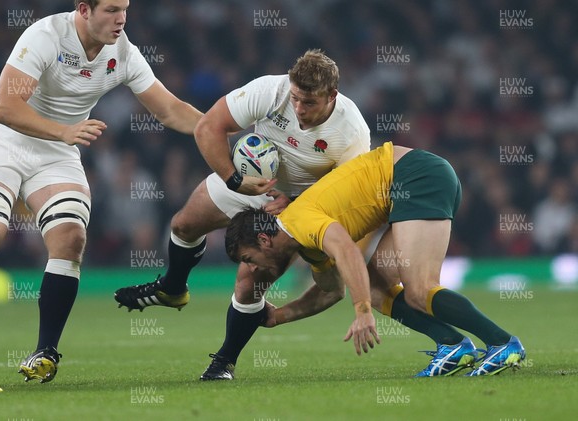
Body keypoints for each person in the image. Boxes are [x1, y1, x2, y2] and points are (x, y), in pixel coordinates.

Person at [0, 0, 202, 385]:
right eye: (112, 10)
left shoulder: (124, 52)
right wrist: (65, 131)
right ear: (84, 9)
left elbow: (170, 110)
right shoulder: (45, 36)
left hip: (56, 153)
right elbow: (6, 108)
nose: (122, 19)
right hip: (4, 143)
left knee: (70, 236)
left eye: (125, 9)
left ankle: (45, 351)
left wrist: (223, 131)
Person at [113, 49, 371, 380]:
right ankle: (173, 288)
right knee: (184, 224)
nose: (298, 109)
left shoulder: (352, 131)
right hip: (249, 181)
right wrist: (235, 180)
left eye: (309, 103)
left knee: (251, 276)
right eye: (295, 99)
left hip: (302, 205)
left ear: (332, 96)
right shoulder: (271, 90)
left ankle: (224, 362)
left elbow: (343, 197)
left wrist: (294, 204)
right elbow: (209, 126)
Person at [225, 141, 526, 377]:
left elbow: (345, 251)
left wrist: (362, 312)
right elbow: (332, 289)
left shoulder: (299, 222)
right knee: (375, 287)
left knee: (419, 290)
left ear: (264, 240)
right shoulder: (305, 243)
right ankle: (452, 346)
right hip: (408, 186)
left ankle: (502, 343)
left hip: (414, 175)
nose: (251, 268)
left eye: (248, 258)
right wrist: (279, 316)